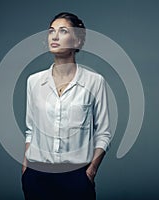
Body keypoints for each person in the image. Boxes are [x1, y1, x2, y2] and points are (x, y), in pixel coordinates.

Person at [21, 12, 112, 200]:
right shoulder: (34, 82)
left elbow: (103, 133)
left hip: (76, 178)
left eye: (63, 31)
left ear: (77, 41)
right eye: (51, 31)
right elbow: (31, 129)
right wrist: (25, 167)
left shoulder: (95, 82)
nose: (54, 36)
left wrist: (91, 170)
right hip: (37, 176)